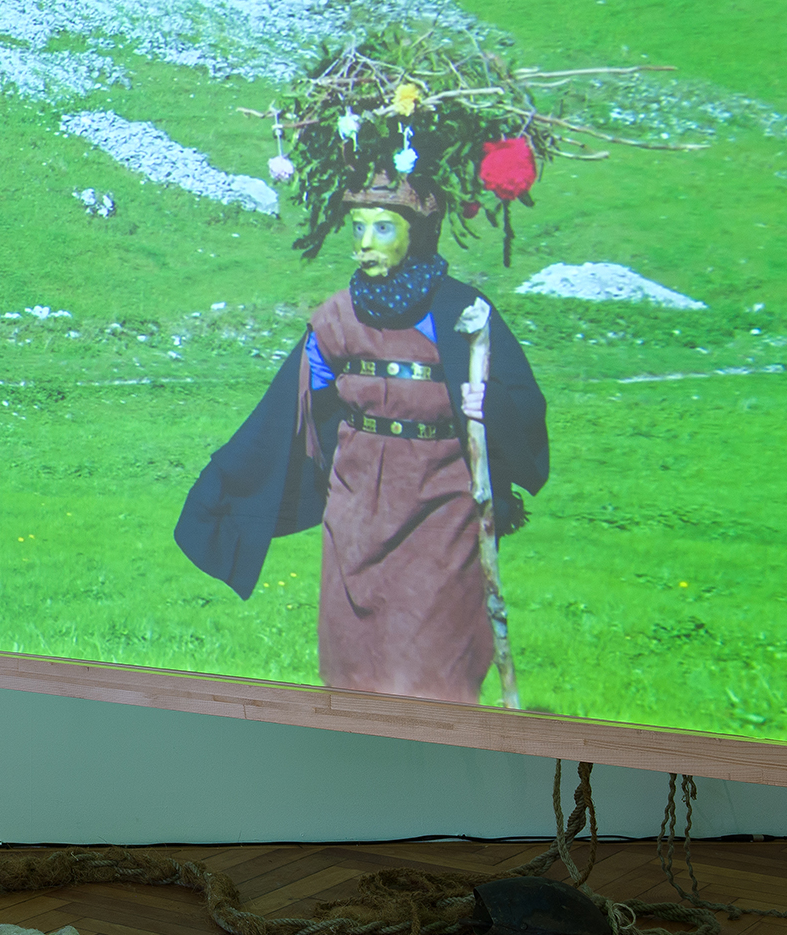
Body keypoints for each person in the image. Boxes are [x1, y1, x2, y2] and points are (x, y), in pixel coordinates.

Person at [176, 174, 547, 704]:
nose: (365, 243)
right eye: (357, 227)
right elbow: (300, 406)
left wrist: (488, 406)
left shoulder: (462, 313)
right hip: (356, 516)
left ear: (417, 233)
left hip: (443, 510)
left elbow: (523, 405)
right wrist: (226, 489)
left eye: (382, 228)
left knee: (435, 667)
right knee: (353, 662)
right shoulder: (336, 317)